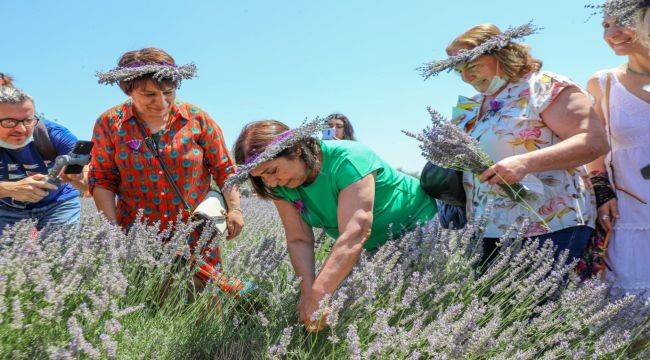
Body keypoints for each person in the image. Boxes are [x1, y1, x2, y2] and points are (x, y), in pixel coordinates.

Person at [420, 22, 608, 264]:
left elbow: (593, 141)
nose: (466, 77)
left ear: (501, 55)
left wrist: (524, 163)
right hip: (486, 231)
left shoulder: (544, 86)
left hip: (550, 226)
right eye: (459, 71)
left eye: (473, 66)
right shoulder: (472, 105)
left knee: (544, 302)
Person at [229, 119, 439, 331]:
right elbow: (299, 239)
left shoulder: (347, 159)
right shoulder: (281, 184)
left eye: (273, 171)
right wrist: (307, 293)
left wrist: (319, 294)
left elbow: (354, 233)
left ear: (297, 149)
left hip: (419, 226)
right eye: (261, 177)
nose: (271, 182)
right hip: (374, 246)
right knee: (347, 311)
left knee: (416, 305)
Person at [88, 47, 244, 289]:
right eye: (148, 94)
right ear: (128, 89)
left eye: (168, 92)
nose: (161, 102)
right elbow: (102, 179)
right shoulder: (109, 123)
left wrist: (235, 210)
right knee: (150, 297)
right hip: (139, 232)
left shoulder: (197, 118)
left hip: (195, 229)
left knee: (205, 297)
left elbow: (224, 168)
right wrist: (111, 232)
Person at [586, 9, 650, 294]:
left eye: (622, 22)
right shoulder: (604, 83)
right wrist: (601, 190)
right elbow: (592, 146)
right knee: (632, 308)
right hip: (630, 211)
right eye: (606, 25)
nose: (611, 34)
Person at [0, 86, 86, 234]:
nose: (21, 129)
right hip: (4, 207)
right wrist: (8, 189)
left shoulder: (54, 134)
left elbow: (88, 174)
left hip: (58, 202)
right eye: (9, 122)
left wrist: (79, 179)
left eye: (28, 120)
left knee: (61, 253)